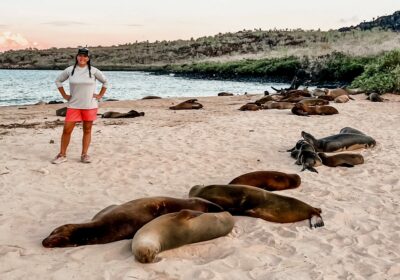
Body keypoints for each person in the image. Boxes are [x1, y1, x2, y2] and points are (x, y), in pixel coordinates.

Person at [52, 47, 108, 164]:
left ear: (88, 58)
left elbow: (106, 82)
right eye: (80, 55)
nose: (82, 58)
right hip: (73, 105)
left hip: (89, 105)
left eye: (85, 56)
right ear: (77, 57)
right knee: (67, 130)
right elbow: (58, 81)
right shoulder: (69, 70)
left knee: (87, 130)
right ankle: (62, 155)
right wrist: (64, 95)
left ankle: (84, 154)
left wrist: (99, 95)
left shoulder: (93, 71)